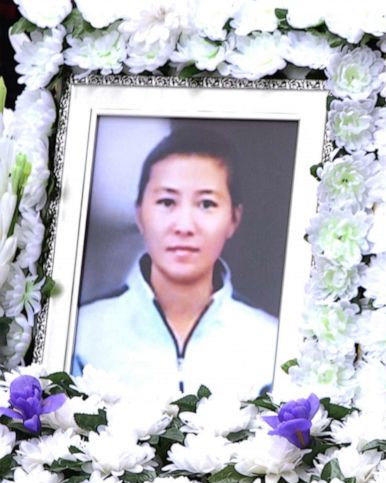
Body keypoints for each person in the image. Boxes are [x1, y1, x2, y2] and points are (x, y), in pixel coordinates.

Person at [73, 127, 279, 399]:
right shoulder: (80, 331)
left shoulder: (271, 341)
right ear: (139, 214)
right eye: (167, 201)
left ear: (234, 219)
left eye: (206, 204)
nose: (184, 226)